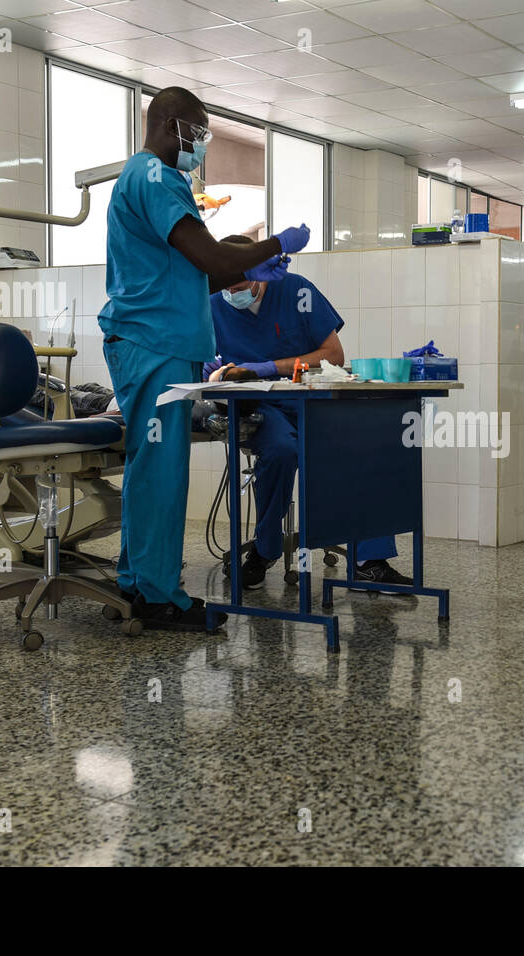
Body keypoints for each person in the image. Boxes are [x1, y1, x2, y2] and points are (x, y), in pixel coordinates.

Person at [99, 86, 310, 632]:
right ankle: (157, 596)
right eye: (197, 133)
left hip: (164, 345)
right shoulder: (153, 177)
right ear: (170, 125)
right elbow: (212, 253)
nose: (200, 146)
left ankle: (138, 583)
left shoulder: (156, 183)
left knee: (158, 471)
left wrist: (246, 271)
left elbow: (204, 269)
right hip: (152, 344)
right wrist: (273, 244)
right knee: (160, 474)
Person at [204, 236, 413, 590]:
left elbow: (333, 354)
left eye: (239, 285)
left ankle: (369, 559)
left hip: (311, 401)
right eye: (225, 287)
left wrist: (268, 367)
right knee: (281, 452)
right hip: (259, 407)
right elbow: (206, 363)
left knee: (366, 445)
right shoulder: (212, 305)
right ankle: (266, 548)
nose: (232, 294)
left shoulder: (296, 291)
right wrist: (214, 370)